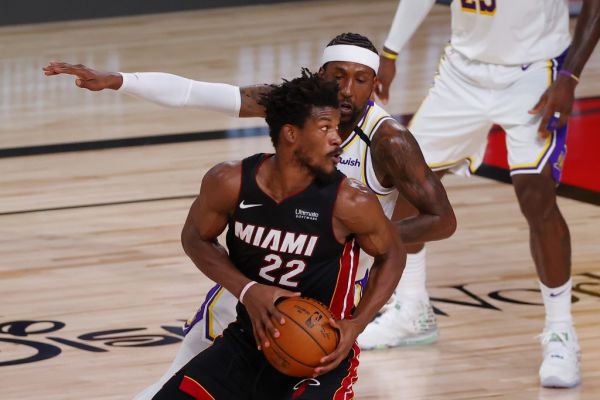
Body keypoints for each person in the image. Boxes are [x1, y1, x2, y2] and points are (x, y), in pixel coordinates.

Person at [43, 33, 457, 398]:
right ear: (320, 74)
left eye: (360, 79)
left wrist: (356, 238)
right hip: (249, 279)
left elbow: (441, 219)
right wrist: (118, 81)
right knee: (180, 380)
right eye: (337, 76)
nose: (347, 90)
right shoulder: (296, 109)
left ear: (375, 83)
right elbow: (196, 92)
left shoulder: (389, 141)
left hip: (324, 296)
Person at [370, 0, 600, 389]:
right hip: (463, 71)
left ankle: (561, 333)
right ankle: (413, 311)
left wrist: (570, 76)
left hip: (537, 71)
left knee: (536, 196)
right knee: (406, 181)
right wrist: (390, 51)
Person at [153, 70, 405, 399]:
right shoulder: (228, 182)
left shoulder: (350, 201)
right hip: (246, 344)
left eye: (337, 129)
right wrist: (247, 290)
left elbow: (393, 255)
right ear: (291, 134)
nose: (336, 139)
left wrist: (357, 324)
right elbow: (195, 238)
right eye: (325, 128)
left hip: (321, 358)